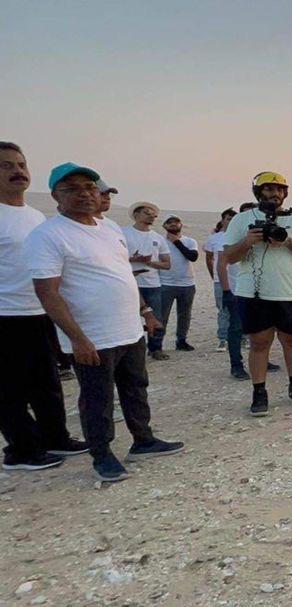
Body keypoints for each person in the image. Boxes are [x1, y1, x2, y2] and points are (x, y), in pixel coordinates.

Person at [26, 162, 184, 482]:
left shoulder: (109, 228)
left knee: (136, 388)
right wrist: (78, 339)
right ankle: (102, 454)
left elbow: (123, 274)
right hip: (93, 337)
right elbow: (48, 293)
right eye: (72, 189)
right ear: (56, 195)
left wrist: (146, 313)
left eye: (89, 187)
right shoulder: (48, 234)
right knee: (98, 398)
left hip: (129, 329)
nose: (84, 194)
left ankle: (143, 440)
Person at [0, 143, 88, 471]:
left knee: (47, 382)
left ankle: (55, 438)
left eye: (20, 164)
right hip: (6, 315)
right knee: (10, 388)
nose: (17, 171)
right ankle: (20, 450)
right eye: (6, 166)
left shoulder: (35, 216)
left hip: (39, 311)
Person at [223, 171, 292, 416]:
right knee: (259, 343)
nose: (275, 194)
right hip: (255, 294)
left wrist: (287, 241)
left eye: (279, 190)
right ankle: (259, 393)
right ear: (257, 192)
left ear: (286, 194)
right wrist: (248, 241)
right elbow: (229, 258)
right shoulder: (242, 220)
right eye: (268, 189)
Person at [122, 202, 171, 360]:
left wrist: (148, 262)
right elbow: (113, 257)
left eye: (153, 214)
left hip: (152, 284)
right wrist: (132, 259)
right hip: (129, 283)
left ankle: (156, 348)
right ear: (136, 215)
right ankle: (129, 350)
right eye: (146, 212)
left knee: (156, 318)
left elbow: (167, 264)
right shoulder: (123, 233)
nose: (151, 216)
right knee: (128, 317)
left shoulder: (157, 238)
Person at [157, 215, 198, 352]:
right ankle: (157, 345)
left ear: (181, 225)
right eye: (170, 223)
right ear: (164, 226)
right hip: (165, 283)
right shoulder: (160, 242)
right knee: (162, 316)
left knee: (185, 315)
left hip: (187, 283)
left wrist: (177, 242)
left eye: (176, 222)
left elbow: (193, 257)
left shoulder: (190, 241)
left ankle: (181, 340)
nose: (173, 224)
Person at [205, 208, 237, 351]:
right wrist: (214, 275)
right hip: (220, 280)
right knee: (223, 309)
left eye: (233, 219)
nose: (230, 221)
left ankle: (243, 338)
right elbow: (209, 258)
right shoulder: (214, 238)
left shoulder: (239, 236)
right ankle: (223, 339)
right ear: (223, 219)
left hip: (239, 279)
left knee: (241, 308)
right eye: (228, 218)